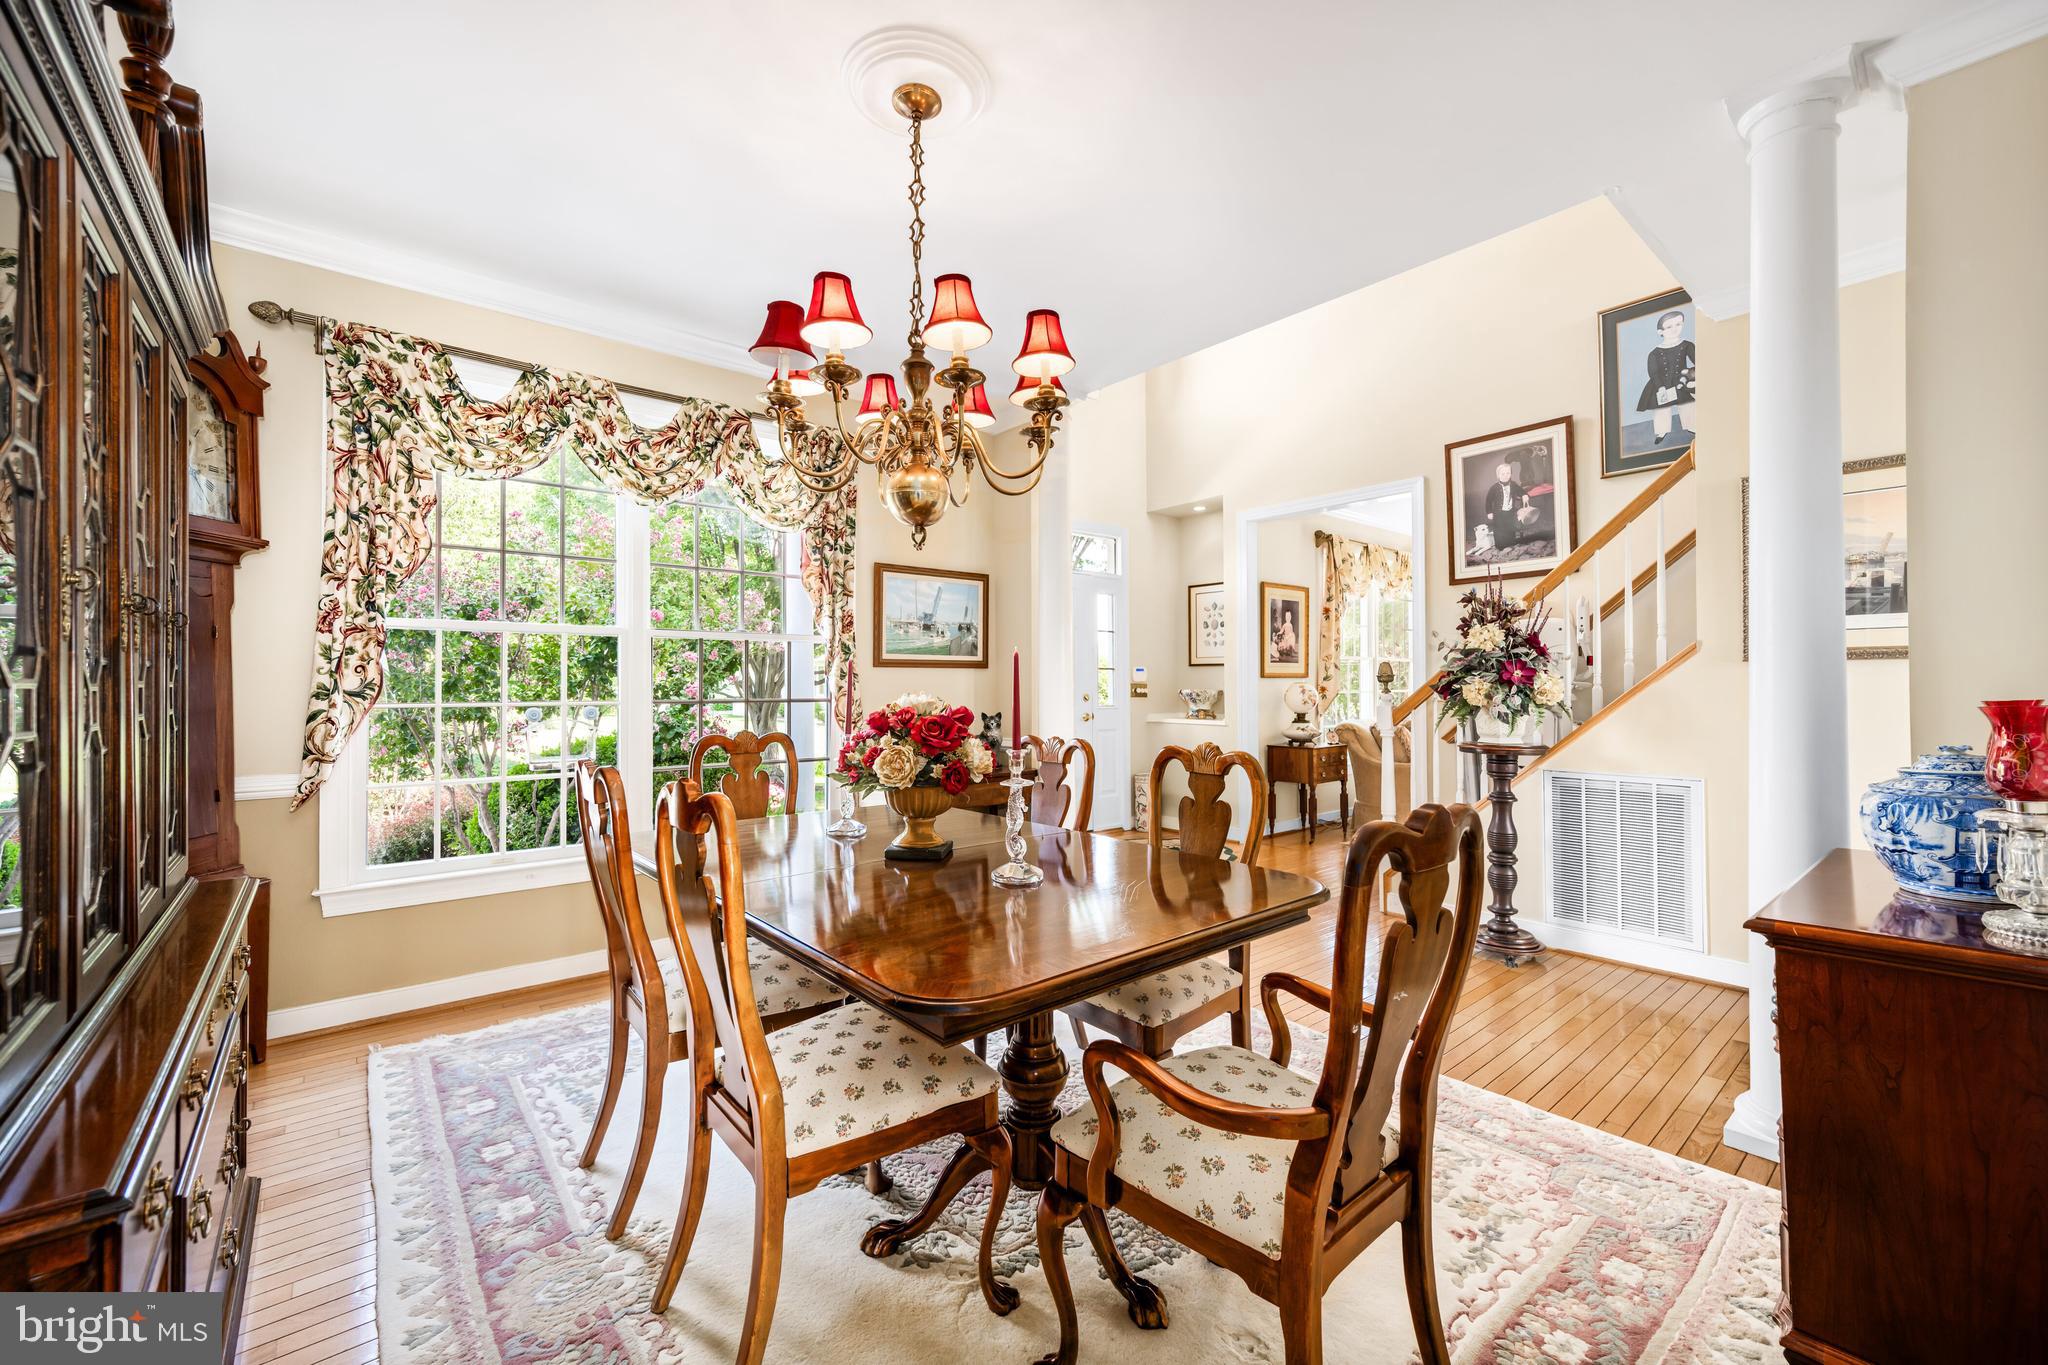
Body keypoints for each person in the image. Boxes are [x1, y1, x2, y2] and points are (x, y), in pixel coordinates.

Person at [1637, 308, 1697, 446]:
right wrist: (1660, 387)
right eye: (1669, 326)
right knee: (1661, 407)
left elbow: (1698, 361)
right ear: (1660, 331)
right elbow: (1653, 372)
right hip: (1661, 382)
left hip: (1680, 380)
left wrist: (1691, 375)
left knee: (1687, 403)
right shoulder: (1654, 353)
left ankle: (1692, 425)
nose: (1674, 329)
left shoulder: (1687, 345)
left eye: (1678, 324)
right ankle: (1661, 431)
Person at [1481, 460, 1526, 554]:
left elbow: (1520, 490)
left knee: (1510, 527)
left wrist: (1524, 495)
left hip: (1510, 511)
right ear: (1498, 475)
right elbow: (1488, 500)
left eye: (1508, 473)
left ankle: (1510, 543)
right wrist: (1489, 512)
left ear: (1511, 474)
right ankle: (1500, 546)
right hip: (1498, 513)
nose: (1505, 475)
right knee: (1499, 529)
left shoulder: (1513, 484)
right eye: (1503, 474)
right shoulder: (1494, 487)